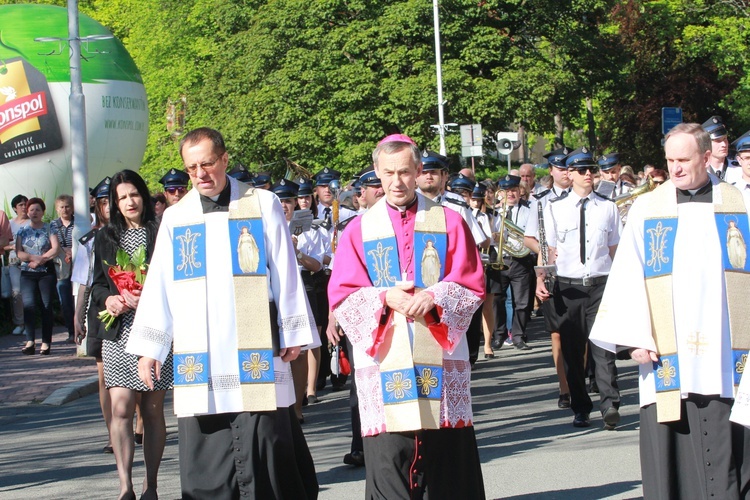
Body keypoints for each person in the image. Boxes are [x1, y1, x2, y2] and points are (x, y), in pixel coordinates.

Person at [126, 127, 318, 499]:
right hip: (202, 353)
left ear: (225, 159)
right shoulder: (177, 218)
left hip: (256, 344)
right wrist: (151, 345)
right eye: (191, 167)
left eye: (207, 164)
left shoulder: (262, 203)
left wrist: (293, 332)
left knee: (265, 439)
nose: (199, 174)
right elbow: (161, 285)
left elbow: (284, 268)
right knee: (207, 447)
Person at [590, 123, 750, 498]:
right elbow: (629, 274)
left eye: (683, 159)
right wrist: (633, 340)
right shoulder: (648, 209)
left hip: (729, 350)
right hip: (667, 353)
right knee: (671, 452)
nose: (675, 168)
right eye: (669, 160)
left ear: (707, 157)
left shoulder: (740, 206)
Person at [328, 134, 486, 499]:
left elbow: (472, 282)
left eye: (404, 172)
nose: (396, 182)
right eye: (388, 173)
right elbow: (343, 294)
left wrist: (433, 296)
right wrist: (385, 297)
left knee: (446, 456)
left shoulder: (449, 221)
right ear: (377, 174)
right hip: (386, 357)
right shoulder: (358, 229)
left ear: (418, 171)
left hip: (439, 354)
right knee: (391, 455)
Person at [91, 169, 171, 500]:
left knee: (152, 410)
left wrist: (150, 294)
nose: (129, 202)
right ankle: (125, 486)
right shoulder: (105, 238)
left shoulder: (161, 231)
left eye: (134, 194)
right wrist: (108, 298)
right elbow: (96, 284)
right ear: (114, 203)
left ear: (144, 195)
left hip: (155, 330)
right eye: (122, 197)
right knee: (121, 406)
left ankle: (150, 485)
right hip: (119, 331)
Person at [536, 147, 622, 429]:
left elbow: (614, 249)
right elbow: (550, 250)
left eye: (591, 170)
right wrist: (541, 279)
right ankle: (580, 407)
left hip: (600, 284)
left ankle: (610, 404)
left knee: (603, 349)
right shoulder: (554, 208)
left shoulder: (608, 207)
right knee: (573, 352)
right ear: (569, 173)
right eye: (582, 170)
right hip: (568, 287)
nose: (588, 175)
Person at [524, 148, 572, 408]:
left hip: (581, 272)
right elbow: (528, 237)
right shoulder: (541, 200)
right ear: (552, 171)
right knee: (557, 333)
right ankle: (564, 387)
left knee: (582, 333)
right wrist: (545, 250)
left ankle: (580, 374)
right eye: (560, 168)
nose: (565, 172)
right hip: (553, 271)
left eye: (569, 167)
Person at [273, 179, 324, 424]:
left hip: (299, 287)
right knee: (278, 350)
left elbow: (317, 266)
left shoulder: (305, 231)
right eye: (280, 200)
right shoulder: (266, 225)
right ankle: (280, 406)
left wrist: (298, 252)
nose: (284, 206)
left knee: (301, 350)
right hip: (274, 289)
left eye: (288, 201)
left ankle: (297, 407)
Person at [72, 176, 113, 454]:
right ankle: (114, 431)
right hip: (99, 309)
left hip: (133, 306)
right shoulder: (90, 241)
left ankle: (141, 424)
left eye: (113, 200)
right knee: (105, 375)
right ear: (97, 206)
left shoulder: (143, 232)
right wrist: (77, 316)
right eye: (103, 202)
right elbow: (84, 281)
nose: (109, 207)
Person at [488, 175, 535, 351]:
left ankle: (518, 336)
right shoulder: (493, 212)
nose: (511, 194)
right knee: (498, 300)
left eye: (514, 190)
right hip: (499, 259)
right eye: (507, 191)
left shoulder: (529, 209)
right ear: (501, 193)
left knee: (522, 302)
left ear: (519, 191)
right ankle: (499, 335)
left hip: (520, 260)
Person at [16, 198, 58, 356]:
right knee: (29, 305)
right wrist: (33, 259)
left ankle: (46, 342)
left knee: (46, 306)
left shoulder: (50, 228)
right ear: (27, 212)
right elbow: (19, 252)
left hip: (46, 273)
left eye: (38, 210)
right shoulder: (22, 230)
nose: (34, 212)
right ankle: (30, 341)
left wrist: (42, 260)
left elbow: (55, 248)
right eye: (31, 210)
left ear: (43, 212)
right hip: (27, 273)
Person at [50, 194, 76, 343]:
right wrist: (63, 250)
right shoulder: (53, 225)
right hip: (61, 265)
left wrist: (73, 250)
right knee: (64, 299)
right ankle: (70, 331)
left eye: (67, 206)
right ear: (57, 209)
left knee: (78, 298)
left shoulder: (79, 223)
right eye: (62, 207)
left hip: (77, 262)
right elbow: (51, 243)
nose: (65, 209)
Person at [4, 195, 30, 336]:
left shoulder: (32, 222)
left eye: (26, 204)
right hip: (14, 261)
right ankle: (19, 323)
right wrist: (13, 247)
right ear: (14, 208)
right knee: (16, 292)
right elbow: (3, 244)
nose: (24, 207)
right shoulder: (9, 223)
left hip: (30, 261)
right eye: (20, 205)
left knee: (29, 293)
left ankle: (29, 323)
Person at [701, 115, 740, 183]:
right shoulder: (699, 171)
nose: (724, 144)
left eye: (725, 139)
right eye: (718, 141)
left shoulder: (740, 169)